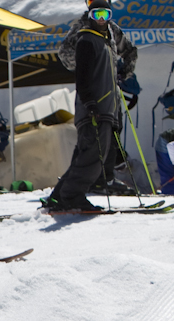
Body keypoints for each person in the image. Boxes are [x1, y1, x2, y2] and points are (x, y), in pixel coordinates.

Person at [44, 1, 128, 213]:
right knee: (93, 157)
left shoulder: (106, 41)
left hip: (105, 107)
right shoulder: (87, 39)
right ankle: (72, 196)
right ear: (90, 15)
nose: (101, 18)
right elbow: (82, 77)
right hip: (94, 109)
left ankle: (58, 197)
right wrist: (91, 103)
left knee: (86, 155)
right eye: (97, 13)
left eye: (105, 13)